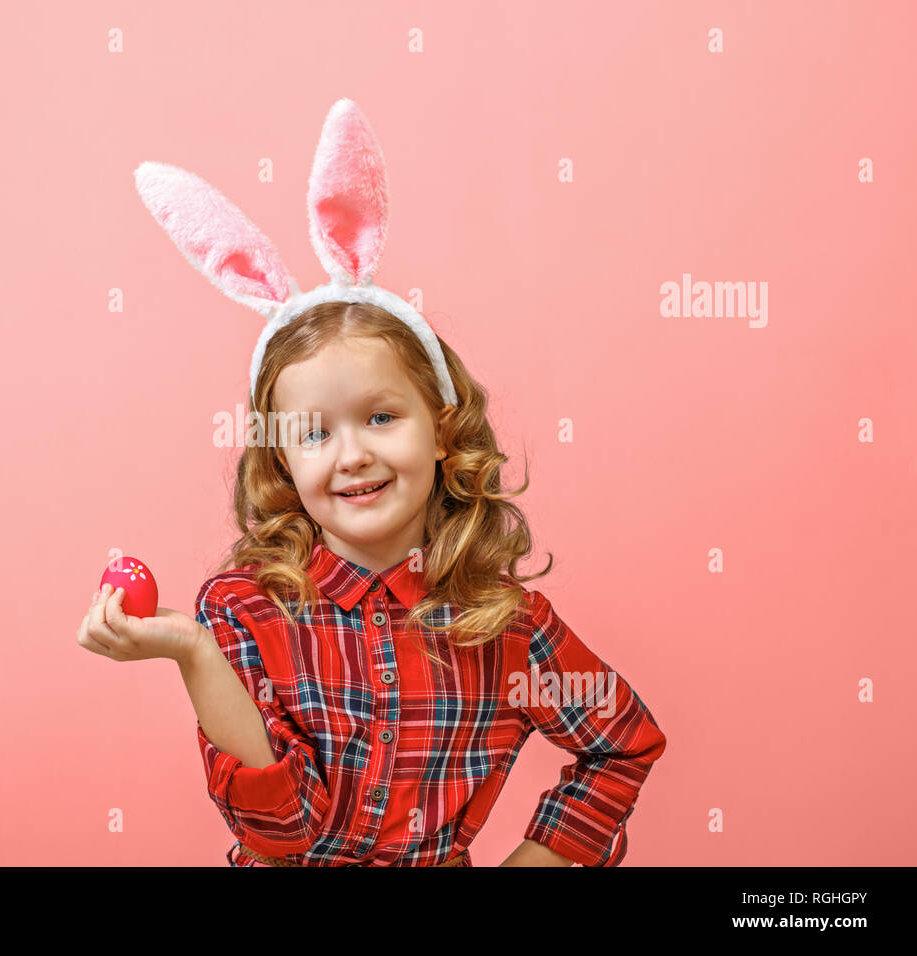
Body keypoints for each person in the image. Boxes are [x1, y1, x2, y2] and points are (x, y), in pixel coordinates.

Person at [77, 99, 666, 866]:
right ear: (283, 463)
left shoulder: (509, 628)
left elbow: (622, 745)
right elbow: (280, 832)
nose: (350, 455)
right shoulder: (245, 612)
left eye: (381, 418)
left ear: (443, 427)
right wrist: (193, 651)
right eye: (314, 434)